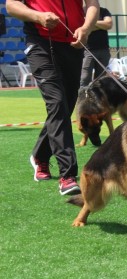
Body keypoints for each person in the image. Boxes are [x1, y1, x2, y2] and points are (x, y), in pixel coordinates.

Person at [6, 0, 99, 195]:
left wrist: (86, 28)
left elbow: (92, 4)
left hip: (73, 45)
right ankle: (68, 175)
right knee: (57, 103)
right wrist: (37, 16)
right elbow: (11, 5)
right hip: (40, 43)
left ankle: (40, 156)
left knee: (65, 106)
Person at [80, 6, 112, 87]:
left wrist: (91, 23)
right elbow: (82, 27)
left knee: (101, 81)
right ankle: (82, 98)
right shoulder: (81, 11)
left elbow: (108, 24)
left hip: (104, 50)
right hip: (87, 51)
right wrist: (101, 24)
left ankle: (97, 99)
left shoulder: (104, 11)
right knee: (84, 78)